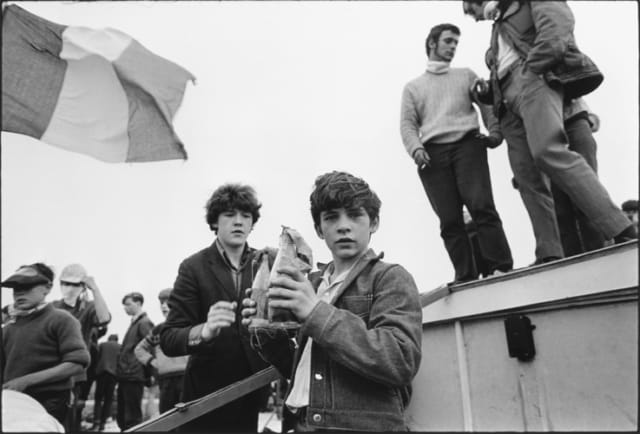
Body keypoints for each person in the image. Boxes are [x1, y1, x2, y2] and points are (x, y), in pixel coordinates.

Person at [242, 171, 423, 431]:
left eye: (355, 215)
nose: (343, 225)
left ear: (373, 223)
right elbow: (298, 370)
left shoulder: (390, 277)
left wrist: (315, 312)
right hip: (301, 423)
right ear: (319, 229)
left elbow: (400, 361)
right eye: (331, 217)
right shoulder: (312, 284)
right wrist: (264, 332)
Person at [462, 0, 637, 265]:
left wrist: (532, 69)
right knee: (527, 178)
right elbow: (508, 58)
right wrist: (489, 90)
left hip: (533, 81)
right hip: (507, 106)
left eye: (472, 11)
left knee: (548, 151)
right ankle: (549, 253)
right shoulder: (499, 25)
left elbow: (557, 29)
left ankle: (620, 227)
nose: (476, 19)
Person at [400, 23, 513, 284]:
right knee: (450, 220)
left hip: (468, 146)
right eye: (448, 41)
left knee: (481, 206)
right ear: (432, 43)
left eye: (456, 43)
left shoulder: (466, 76)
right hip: (433, 155)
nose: (452, 47)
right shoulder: (413, 88)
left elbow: (487, 105)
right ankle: (465, 275)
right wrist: (416, 149)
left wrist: (495, 132)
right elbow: (407, 124)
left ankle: (501, 267)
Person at [159, 183, 270, 432]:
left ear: (253, 223)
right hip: (205, 394)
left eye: (246, 216)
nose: (239, 222)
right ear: (215, 221)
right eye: (230, 215)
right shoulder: (193, 267)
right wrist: (204, 331)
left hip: (250, 390)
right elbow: (168, 338)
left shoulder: (265, 264)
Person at [1, 263, 90, 426]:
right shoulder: (8, 328)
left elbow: (77, 363)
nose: (19, 292)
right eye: (15, 287)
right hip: (14, 403)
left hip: (50, 402)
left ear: (47, 288)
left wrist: (25, 381)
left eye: (27, 286)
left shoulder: (61, 320)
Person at [51, 263, 111, 432]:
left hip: (73, 373)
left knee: (70, 417)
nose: (69, 288)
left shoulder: (88, 308)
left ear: (82, 287)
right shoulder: (53, 307)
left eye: (75, 284)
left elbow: (104, 318)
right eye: (65, 283)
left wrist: (95, 289)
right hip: (50, 370)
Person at [135, 288, 189, 414]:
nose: (164, 306)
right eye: (161, 303)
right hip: (166, 380)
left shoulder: (189, 326)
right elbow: (139, 349)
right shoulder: (158, 330)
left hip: (187, 378)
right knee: (167, 415)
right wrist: (153, 362)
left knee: (188, 415)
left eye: (168, 302)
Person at [116, 292, 154, 431]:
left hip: (133, 374)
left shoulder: (144, 322)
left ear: (138, 303)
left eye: (128, 304)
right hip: (126, 375)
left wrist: (149, 374)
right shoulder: (135, 323)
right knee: (122, 415)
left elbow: (150, 348)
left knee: (132, 417)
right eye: (124, 305)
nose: (125, 308)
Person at [92, 334, 121, 432]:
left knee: (98, 399)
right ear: (116, 340)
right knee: (108, 400)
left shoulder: (102, 345)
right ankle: (102, 424)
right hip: (113, 375)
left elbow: (96, 358)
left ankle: (96, 422)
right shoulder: (119, 347)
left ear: (109, 339)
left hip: (101, 373)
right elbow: (120, 361)